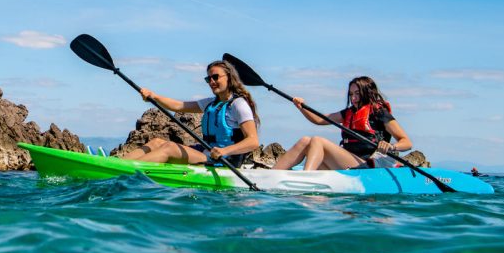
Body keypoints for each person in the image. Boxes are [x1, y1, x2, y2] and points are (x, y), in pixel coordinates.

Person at [122, 60, 260, 166]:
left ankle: (128, 171)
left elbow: (253, 141)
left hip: (224, 160)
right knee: (157, 142)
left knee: (170, 147)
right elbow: (179, 106)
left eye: (216, 77)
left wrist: (224, 151)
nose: (212, 81)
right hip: (206, 152)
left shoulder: (239, 105)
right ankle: (116, 164)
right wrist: (154, 96)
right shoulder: (211, 103)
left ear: (229, 78)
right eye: (208, 79)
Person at [273, 75, 411, 171]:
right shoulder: (349, 113)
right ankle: (271, 174)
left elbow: (406, 143)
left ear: (367, 93)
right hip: (348, 161)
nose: (354, 98)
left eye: (357, 93)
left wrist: (391, 146)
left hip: (366, 165)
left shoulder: (380, 113)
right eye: (351, 94)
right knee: (305, 141)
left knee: (317, 141)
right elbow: (319, 119)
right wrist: (301, 107)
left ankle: (306, 179)